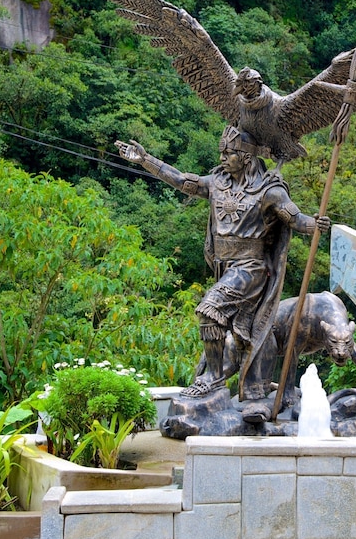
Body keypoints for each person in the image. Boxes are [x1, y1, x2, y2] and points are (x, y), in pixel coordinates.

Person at [117, 126, 329, 422]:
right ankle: (252, 393)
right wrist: (145, 160)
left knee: (209, 310)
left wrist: (314, 225)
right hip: (224, 266)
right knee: (249, 332)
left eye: (228, 153)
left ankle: (215, 376)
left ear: (245, 156)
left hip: (251, 268)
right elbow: (183, 181)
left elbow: (294, 217)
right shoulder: (217, 181)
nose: (222, 157)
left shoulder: (269, 190)